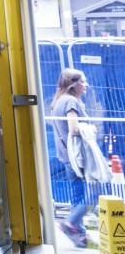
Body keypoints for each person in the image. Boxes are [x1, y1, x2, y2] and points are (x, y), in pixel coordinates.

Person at [52, 68, 91, 248]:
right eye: (83, 82)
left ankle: (79, 235)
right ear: (74, 85)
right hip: (78, 157)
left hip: (67, 157)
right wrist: (91, 130)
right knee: (94, 193)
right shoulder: (70, 101)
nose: (86, 86)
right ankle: (70, 223)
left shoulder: (59, 101)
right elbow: (74, 128)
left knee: (78, 196)